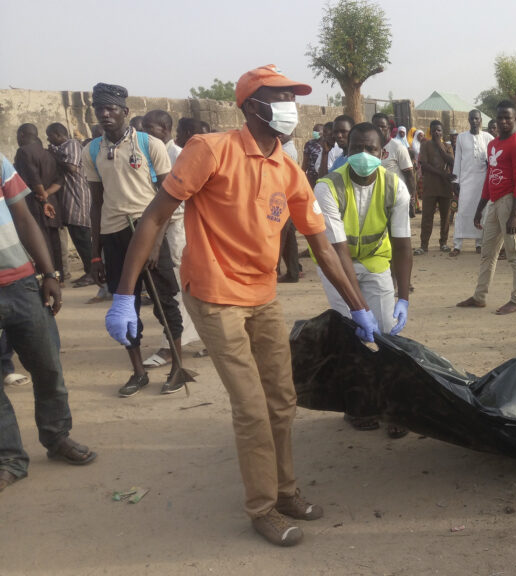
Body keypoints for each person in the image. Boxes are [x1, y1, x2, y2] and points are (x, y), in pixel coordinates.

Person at [104, 64, 377, 547]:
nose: (290, 105)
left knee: (282, 399)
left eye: (293, 96)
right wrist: (125, 295)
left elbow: (322, 243)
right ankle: (263, 508)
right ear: (252, 106)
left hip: (262, 294)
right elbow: (154, 217)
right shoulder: (210, 151)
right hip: (213, 295)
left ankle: (286, 490)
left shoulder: (288, 168)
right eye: (281, 96)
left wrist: (358, 307)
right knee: (252, 407)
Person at [0, 154, 97, 497]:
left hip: (22, 283)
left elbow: (24, 218)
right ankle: (9, 459)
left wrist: (50, 273)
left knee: (48, 366)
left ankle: (57, 438)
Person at [83, 83, 186, 397]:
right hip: (114, 235)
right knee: (124, 305)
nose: (105, 114)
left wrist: (155, 243)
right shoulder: (91, 151)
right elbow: (96, 204)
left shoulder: (148, 144)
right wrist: (95, 255)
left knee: (164, 301)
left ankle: (178, 367)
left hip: (148, 229)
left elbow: (169, 198)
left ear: (125, 112)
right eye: (100, 109)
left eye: (111, 108)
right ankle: (138, 371)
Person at [312, 121, 412, 437]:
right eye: (357, 148)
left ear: (383, 153)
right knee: (352, 333)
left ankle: (391, 403)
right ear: (346, 149)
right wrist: (358, 306)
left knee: (385, 334)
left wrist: (404, 297)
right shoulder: (328, 186)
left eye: (370, 149)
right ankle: (356, 403)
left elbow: (402, 245)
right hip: (336, 265)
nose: (363, 155)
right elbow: (338, 251)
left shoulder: (395, 186)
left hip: (375, 260)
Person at [141, 112, 202, 368]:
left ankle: (171, 346)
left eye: (149, 128)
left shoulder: (177, 155)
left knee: (174, 287)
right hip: (157, 225)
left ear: (165, 128)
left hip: (175, 227)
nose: (145, 134)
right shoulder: (149, 151)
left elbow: (176, 199)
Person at [456, 101, 516, 315]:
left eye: (508, 117)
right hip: (495, 203)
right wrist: (480, 207)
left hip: (511, 202)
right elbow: (490, 177)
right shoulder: (493, 144)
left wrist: (514, 215)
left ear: (515, 119)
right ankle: (480, 297)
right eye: (500, 118)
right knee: (488, 252)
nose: (504, 121)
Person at [45, 122, 94, 287]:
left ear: (58, 134)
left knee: (83, 238)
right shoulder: (61, 148)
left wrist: (54, 155)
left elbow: (72, 167)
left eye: (50, 136)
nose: (48, 139)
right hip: (69, 201)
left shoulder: (71, 144)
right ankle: (89, 271)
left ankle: (93, 272)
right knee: (78, 238)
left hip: (78, 199)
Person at [13, 124, 63, 282]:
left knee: (40, 238)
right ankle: (58, 275)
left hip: (36, 201)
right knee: (54, 239)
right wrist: (47, 195)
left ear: (21, 135)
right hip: (52, 199)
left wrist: (42, 197)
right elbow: (60, 180)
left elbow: (33, 178)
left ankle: (47, 274)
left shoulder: (23, 152)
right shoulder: (48, 154)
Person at [450, 110, 493, 257]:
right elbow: (458, 160)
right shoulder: (461, 138)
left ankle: (479, 244)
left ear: (481, 120)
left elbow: (493, 160)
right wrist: (456, 180)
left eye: (477, 119)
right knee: (462, 212)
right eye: (472, 119)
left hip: (482, 181)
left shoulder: (488, 138)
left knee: (482, 212)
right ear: (468, 120)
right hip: (466, 180)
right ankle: (457, 245)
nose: (474, 121)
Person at [416, 120, 455, 254]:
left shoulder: (447, 146)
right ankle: (423, 245)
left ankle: (443, 243)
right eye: (434, 130)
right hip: (430, 187)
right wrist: (443, 174)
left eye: (438, 130)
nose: (436, 132)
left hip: (445, 187)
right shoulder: (425, 145)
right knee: (427, 217)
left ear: (442, 132)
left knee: (445, 217)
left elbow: (451, 161)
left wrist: (439, 146)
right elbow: (425, 165)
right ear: (430, 131)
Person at [373, 114, 417, 220]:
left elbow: (410, 176)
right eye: (376, 126)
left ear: (388, 128)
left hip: (396, 199)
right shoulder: (371, 147)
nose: (379, 129)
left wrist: (411, 200)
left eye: (382, 126)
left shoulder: (398, 147)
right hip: (375, 199)